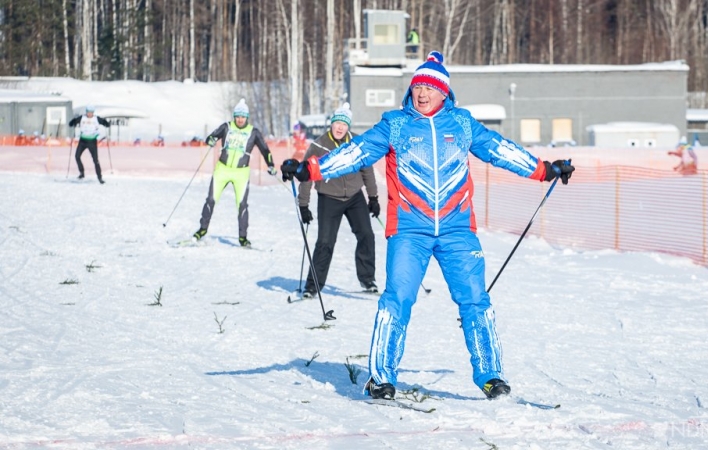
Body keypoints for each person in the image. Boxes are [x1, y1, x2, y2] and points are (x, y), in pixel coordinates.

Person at [281, 51, 574, 400]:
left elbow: (499, 149)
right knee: (397, 299)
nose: (422, 93)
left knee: (476, 300)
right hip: (409, 229)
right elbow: (356, 152)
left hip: (457, 229)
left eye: (429, 88)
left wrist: (544, 170)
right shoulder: (396, 124)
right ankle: (381, 378)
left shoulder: (462, 124)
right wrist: (309, 170)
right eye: (417, 86)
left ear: (444, 92)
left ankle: (491, 376)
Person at [297, 102, 380, 299]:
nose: (340, 128)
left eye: (344, 124)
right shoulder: (318, 146)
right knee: (325, 242)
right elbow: (306, 175)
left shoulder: (356, 143)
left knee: (367, 235)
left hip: (354, 196)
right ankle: (312, 285)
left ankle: (368, 279)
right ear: (332, 124)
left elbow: (367, 169)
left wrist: (373, 197)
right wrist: (304, 205)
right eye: (337, 123)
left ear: (348, 126)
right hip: (329, 197)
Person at [193, 99, 277, 247]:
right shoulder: (226, 127)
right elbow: (211, 137)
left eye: (243, 117)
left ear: (247, 117)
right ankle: (202, 230)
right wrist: (211, 140)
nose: (240, 119)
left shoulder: (253, 132)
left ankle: (243, 238)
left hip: (241, 174)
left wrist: (270, 165)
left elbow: (265, 150)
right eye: (237, 116)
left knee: (242, 205)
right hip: (222, 170)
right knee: (211, 200)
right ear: (234, 116)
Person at [68, 105, 111, 183]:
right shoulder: (82, 118)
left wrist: (106, 123)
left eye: (91, 112)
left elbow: (104, 122)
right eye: (88, 112)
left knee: (95, 160)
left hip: (92, 142)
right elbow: (74, 121)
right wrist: (72, 122)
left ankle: (100, 177)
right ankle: (82, 173)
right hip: (82, 141)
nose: (89, 114)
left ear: (93, 113)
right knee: (77, 156)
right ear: (86, 112)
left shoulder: (96, 119)